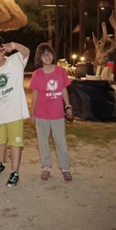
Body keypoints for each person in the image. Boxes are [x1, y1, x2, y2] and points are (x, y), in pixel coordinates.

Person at [0, 36, 30, 187]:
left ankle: (15, 172)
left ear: (3, 50)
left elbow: (26, 51)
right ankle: (0, 163)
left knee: (15, 143)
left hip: (14, 111)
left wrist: (14, 45)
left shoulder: (15, 61)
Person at [30, 43, 73, 182]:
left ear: (53, 54)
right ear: (39, 58)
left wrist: (68, 106)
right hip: (41, 113)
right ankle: (46, 167)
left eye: (49, 53)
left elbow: (64, 90)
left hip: (57, 113)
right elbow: (35, 95)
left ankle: (65, 168)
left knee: (60, 141)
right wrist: (32, 113)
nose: (47, 56)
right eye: (43, 54)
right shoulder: (37, 74)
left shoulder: (60, 71)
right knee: (43, 141)